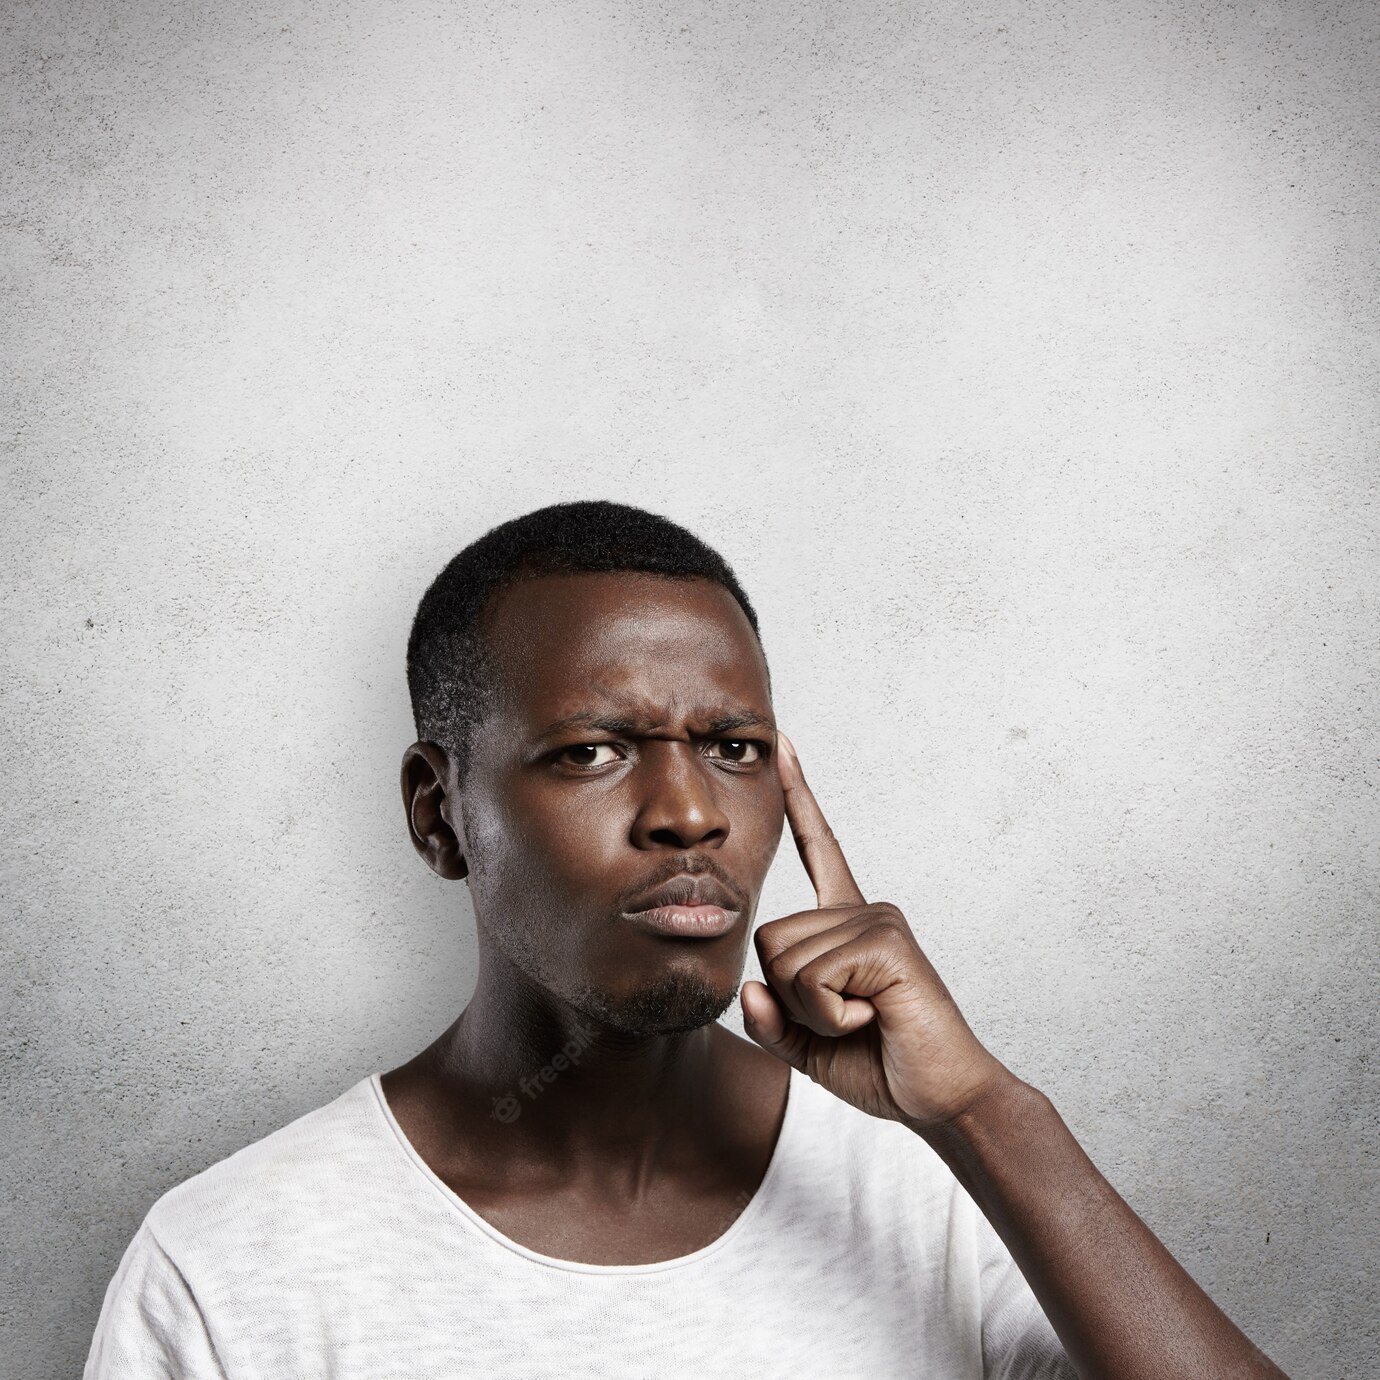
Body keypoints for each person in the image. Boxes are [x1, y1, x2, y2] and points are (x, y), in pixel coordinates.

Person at [85, 500, 1288, 1378]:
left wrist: (987, 1113)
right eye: (591, 751)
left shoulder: (944, 1191)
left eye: (734, 747)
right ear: (438, 812)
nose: (691, 812)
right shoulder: (234, 1265)